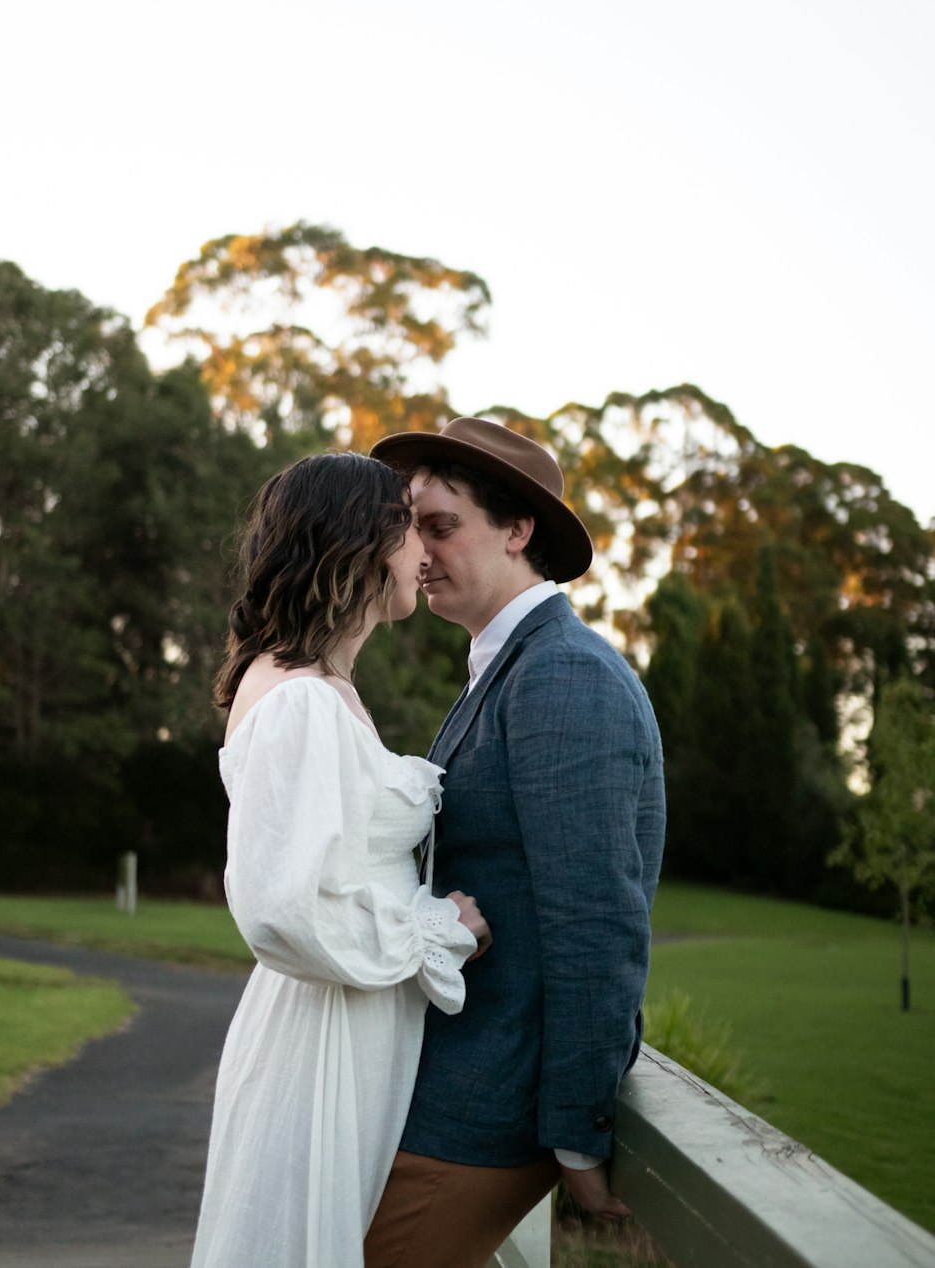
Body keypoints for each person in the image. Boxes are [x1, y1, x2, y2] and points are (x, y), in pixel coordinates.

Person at [364, 418, 666, 1268]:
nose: (417, 551)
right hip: (449, 1095)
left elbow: (595, 921)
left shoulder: (562, 674)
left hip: (487, 1112)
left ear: (518, 529)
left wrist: (578, 1141)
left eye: (441, 524)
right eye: (410, 527)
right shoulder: (504, 666)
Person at [189, 452, 491, 1268]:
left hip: (355, 1023)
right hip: (321, 1038)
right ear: (356, 540)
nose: (422, 555)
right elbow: (283, 909)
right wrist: (437, 929)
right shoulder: (297, 699)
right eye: (407, 529)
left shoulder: (320, 687)